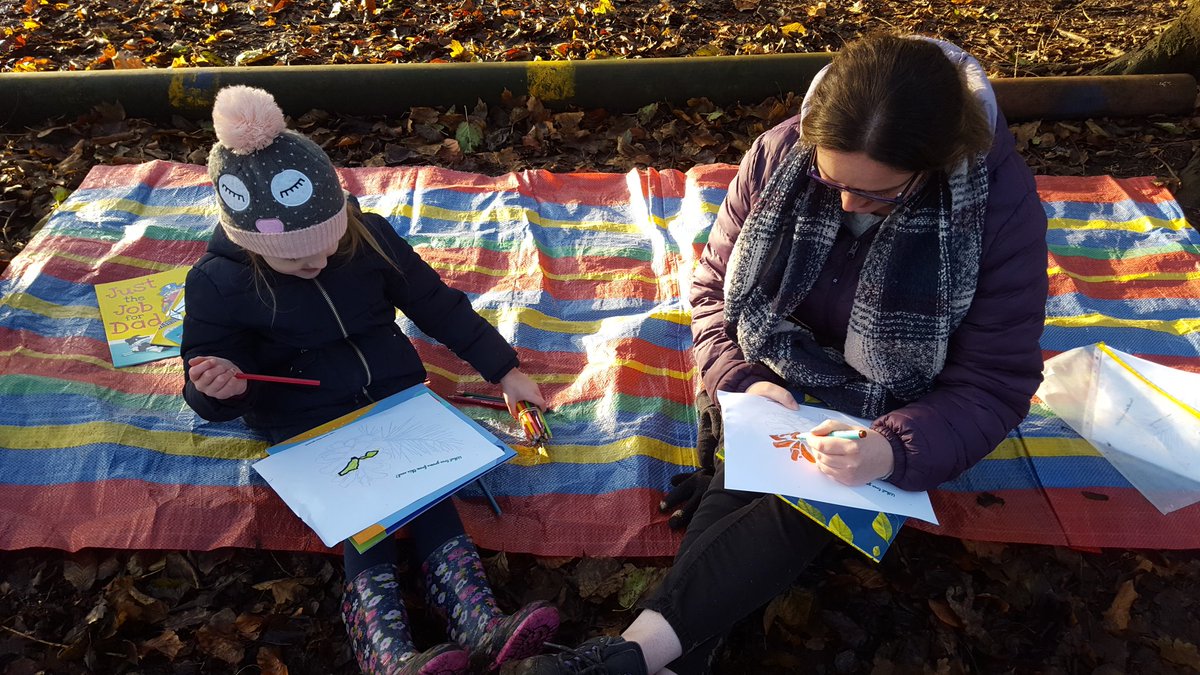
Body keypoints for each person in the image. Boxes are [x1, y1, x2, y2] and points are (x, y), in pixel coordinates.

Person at [507, 33, 1048, 675]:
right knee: (760, 480)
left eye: (879, 196)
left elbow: (994, 381)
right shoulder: (779, 155)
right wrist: (741, 378)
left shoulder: (996, 207)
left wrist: (894, 449)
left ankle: (634, 656)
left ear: (935, 166)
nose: (848, 204)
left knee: (821, 489)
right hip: (777, 379)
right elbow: (711, 291)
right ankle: (655, 660)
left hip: (897, 408)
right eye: (831, 178)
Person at [181, 85, 560, 675]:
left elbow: (436, 304)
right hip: (305, 419)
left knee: (429, 491)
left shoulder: (371, 238)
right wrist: (219, 388)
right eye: (294, 260)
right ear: (249, 245)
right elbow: (208, 367)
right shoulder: (217, 282)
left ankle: (478, 620)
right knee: (368, 512)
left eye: (327, 246)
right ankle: (385, 649)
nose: (316, 263)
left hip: (393, 400)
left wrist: (504, 370)